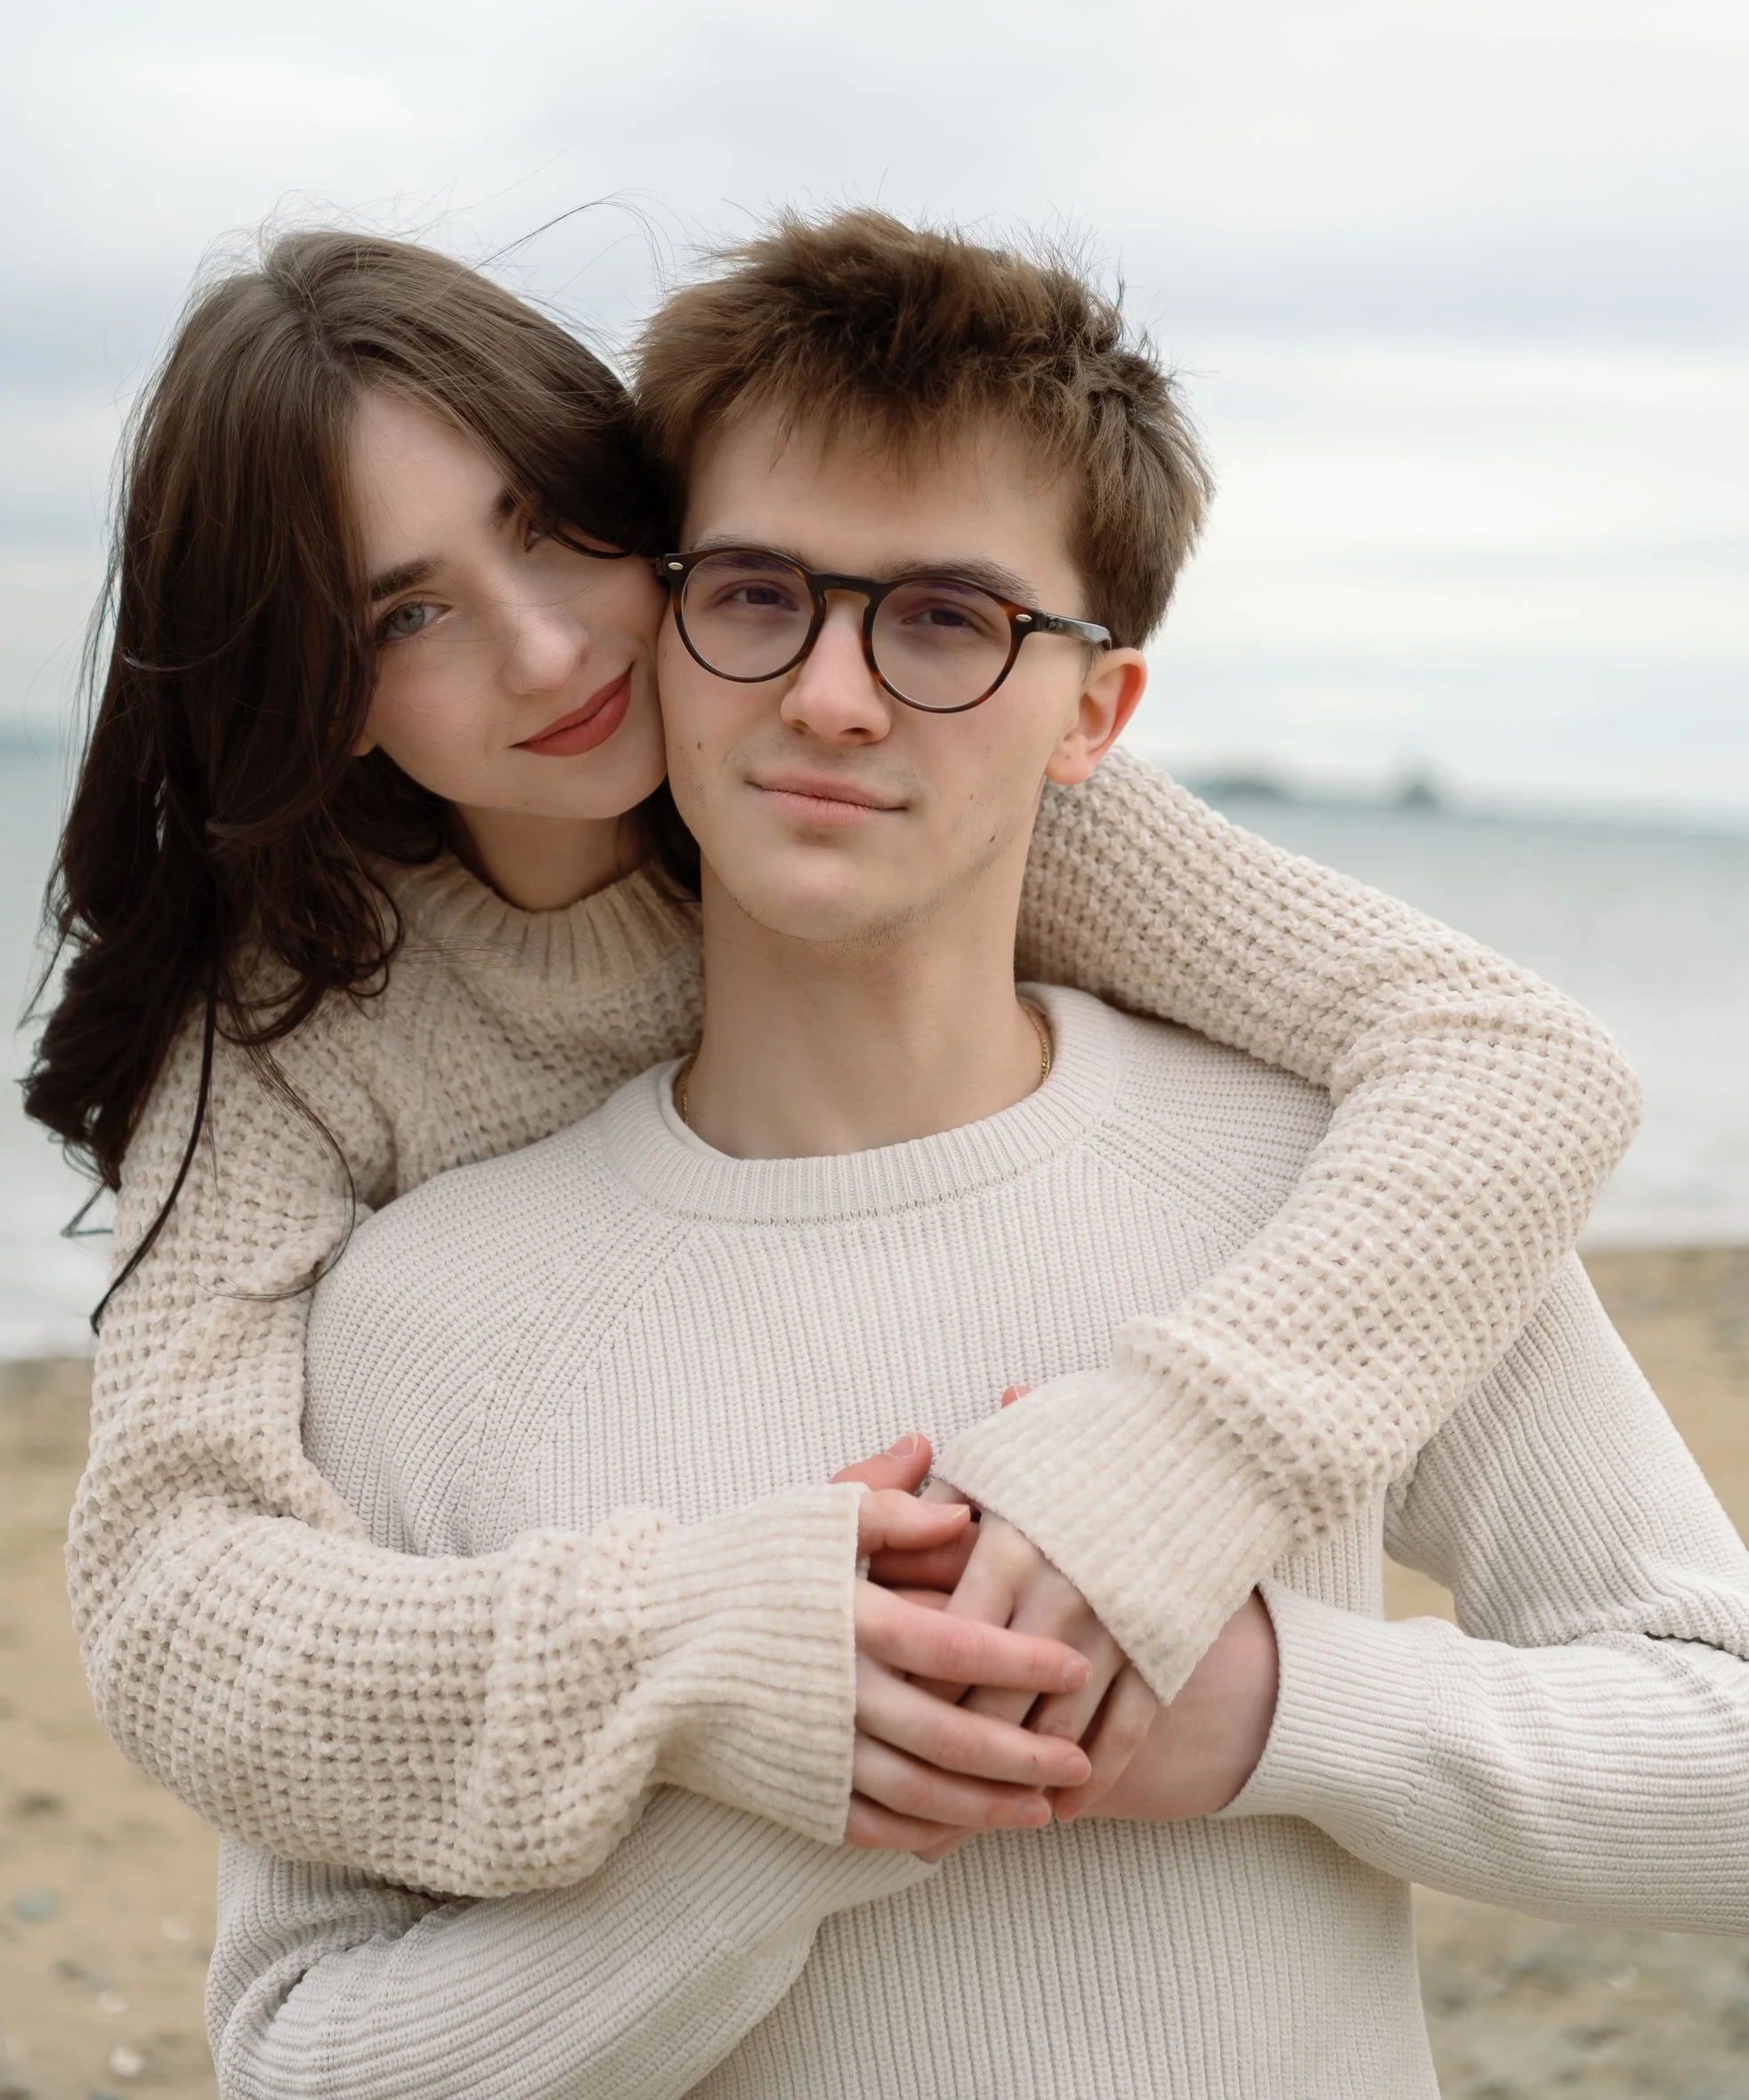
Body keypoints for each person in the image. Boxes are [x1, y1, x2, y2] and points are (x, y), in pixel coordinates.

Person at [205, 210, 1749, 2099]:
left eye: (947, 617)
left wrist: (1277, 1707)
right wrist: (789, 1809)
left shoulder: (1339, 1201)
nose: (834, 692)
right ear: (665, 635)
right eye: (760, 590)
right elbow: (300, 2054)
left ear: (1093, 708)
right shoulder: (415, 1312)